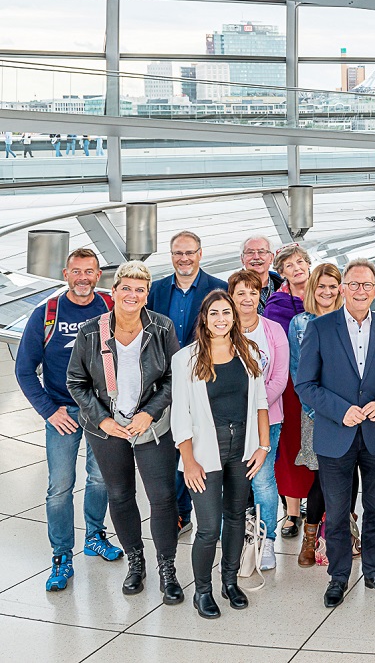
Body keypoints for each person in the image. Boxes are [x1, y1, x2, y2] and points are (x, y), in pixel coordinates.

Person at [295, 259, 375, 608]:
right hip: (336, 434)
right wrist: (339, 409)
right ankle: (338, 576)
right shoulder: (320, 328)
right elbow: (305, 383)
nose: (360, 291)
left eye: (367, 285)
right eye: (354, 284)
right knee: (337, 510)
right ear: (343, 288)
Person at [66, 261, 183, 604]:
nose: (133, 295)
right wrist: (102, 420)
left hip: (152, 427)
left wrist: (149, 412)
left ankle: (167, 566)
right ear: (114, 291)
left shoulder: (161, 327)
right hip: (108, 429)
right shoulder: (92, 331)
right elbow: (77, 381)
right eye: (126, 288)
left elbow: (174, 377)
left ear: (147, 295)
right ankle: (136, 560)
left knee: (162, 498)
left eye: (140, 289)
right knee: (119, 495)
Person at [16, 248, 121, 592]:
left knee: (100, 479)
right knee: (59, 488)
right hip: (62, 412)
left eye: (89, 271)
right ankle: (61, 555)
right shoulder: (46, 313)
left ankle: (94, 536)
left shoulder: (110, 307)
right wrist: (49, 410)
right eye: (76, 271)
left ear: (98, 275)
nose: (83, 278)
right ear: (66, 274)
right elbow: (24, 369)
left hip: (101, 412)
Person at [172, 290, 270, 618]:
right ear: (204, 318)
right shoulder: (185, 358)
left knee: (236, 519)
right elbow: (180, 415)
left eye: (226, 312)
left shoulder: (248, 353)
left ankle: (229, 582)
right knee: (208, 527)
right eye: (213, 313)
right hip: (204, 455)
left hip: (241, 451)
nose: (220, 319)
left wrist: (263, 446)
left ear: (234, 316)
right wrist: (188, 461)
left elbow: (260, 403)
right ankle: (202, 591)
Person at [149, 230, 226, 535]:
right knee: (174, 447)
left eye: (189, 252)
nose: (184, 258)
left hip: (203, 379)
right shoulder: (156, 291)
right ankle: (181, 513)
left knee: (201, 446)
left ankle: (207, 512)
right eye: (178, 253)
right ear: (171, 256)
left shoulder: (218, 288)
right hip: (165, 381)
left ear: (200, 254)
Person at [288, 264, 352, 566]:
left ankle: (344, 532)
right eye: (321, 286)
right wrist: (319, 410)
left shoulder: (351, 320)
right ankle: (311, 537)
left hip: (350, 412)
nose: (326, 292)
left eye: (332, 286)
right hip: (315, 413)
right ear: (312, 289)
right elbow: (297, 370)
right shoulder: (299, 323)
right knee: (321, 476)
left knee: (349, 473)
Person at [228, 270, 289, 570]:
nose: (247, 298)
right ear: (232, 297)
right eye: (241, 293)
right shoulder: (221, 329)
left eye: (252, 292)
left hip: (268, 418)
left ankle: (267, 541)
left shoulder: (273, 330)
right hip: (229, 420)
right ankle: (240, 536)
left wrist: (257, 405)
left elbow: (280, 376)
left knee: (263, 481)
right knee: (234, 480)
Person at [263, 244, 316, 534]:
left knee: (319, 446)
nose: (296, 268)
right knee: (290, 446)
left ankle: (318, 510)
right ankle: (293, 513)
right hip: (289, 388)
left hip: (320, 384)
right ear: (281, 272)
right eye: (289, 266)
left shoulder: (323, 295)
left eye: (300, 262)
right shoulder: (276, 305)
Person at [238, 236, 284, 313]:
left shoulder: (286, 287)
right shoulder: (231, 290)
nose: (256, 257)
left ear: (271, 258)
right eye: (250, 252)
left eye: (261, 252)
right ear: (242, 259)